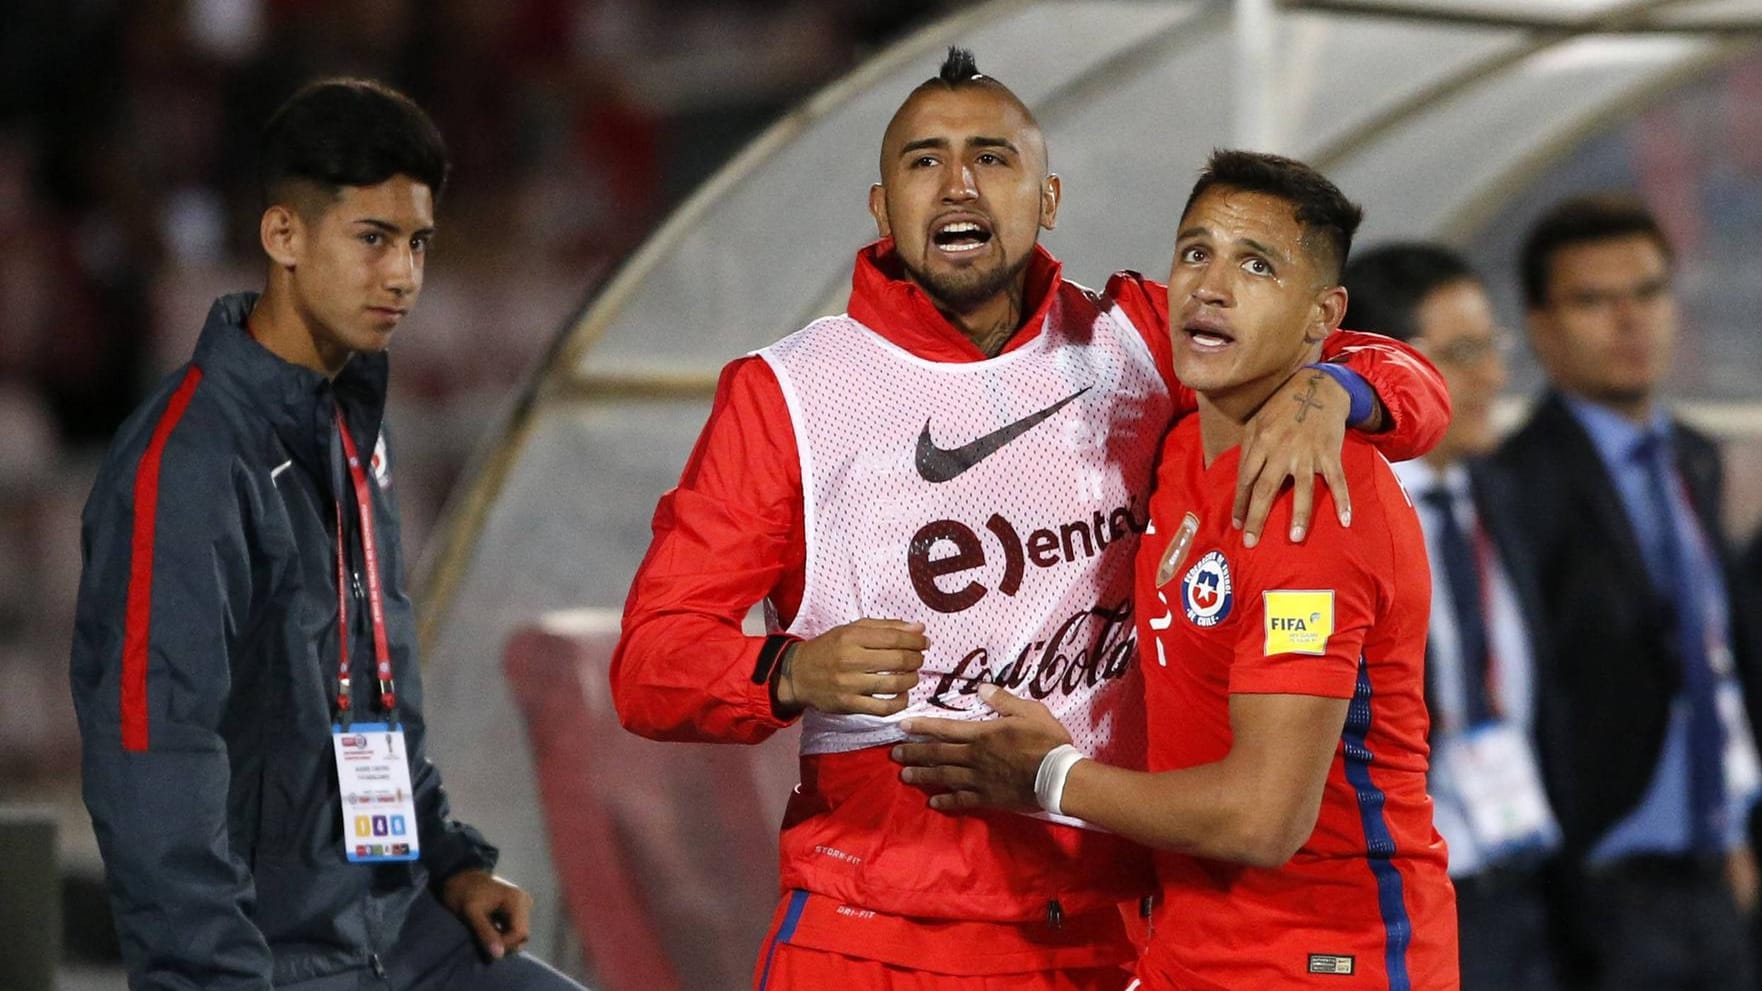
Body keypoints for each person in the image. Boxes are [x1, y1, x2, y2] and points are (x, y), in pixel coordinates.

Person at [611, 49, 1449, 991]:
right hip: (871, 934)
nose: (959, 182)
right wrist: (792, 667)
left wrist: (1335, 390)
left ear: (1049, 197)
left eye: (992, 158)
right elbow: (651, 665)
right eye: (924, 161)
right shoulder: (787, 394)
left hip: (1104, 934)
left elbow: (1393, 365)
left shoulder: (1137, 340)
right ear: (882, 208)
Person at [895, 151, 1459, 990]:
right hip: (1192, 950)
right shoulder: (1183, 439)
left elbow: (1263, 819)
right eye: (1195, 252)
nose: (1212, 284)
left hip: (1325, 960)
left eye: (1255, 263)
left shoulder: (1309, 502)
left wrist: (1048, 776)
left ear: (1321, 317)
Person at [69, 78, 584, 991]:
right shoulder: (186, 464)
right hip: (268, 963)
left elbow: (371, 701)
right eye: (373, 239)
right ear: (284, 238)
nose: (404, 276)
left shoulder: (351, 432)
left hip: (396, 935)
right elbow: (156, 762)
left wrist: (445, 856)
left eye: (418, 243)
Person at [1494, 194, 1762, 990]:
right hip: (1598, 886)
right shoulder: (1516, 484)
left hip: (1713, 869)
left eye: (1647, 293)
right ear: (1541, 326)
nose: (1628, 320)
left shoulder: (1695, 458)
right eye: (1593, 301)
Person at [1342, 243, 1562, 991]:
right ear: (1390, 368)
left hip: (1517, 866)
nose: (1495, 376)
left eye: (1492, 347)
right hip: (1395, 892)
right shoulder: (1344, 516)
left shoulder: (1498, 496)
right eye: (1463, 353)